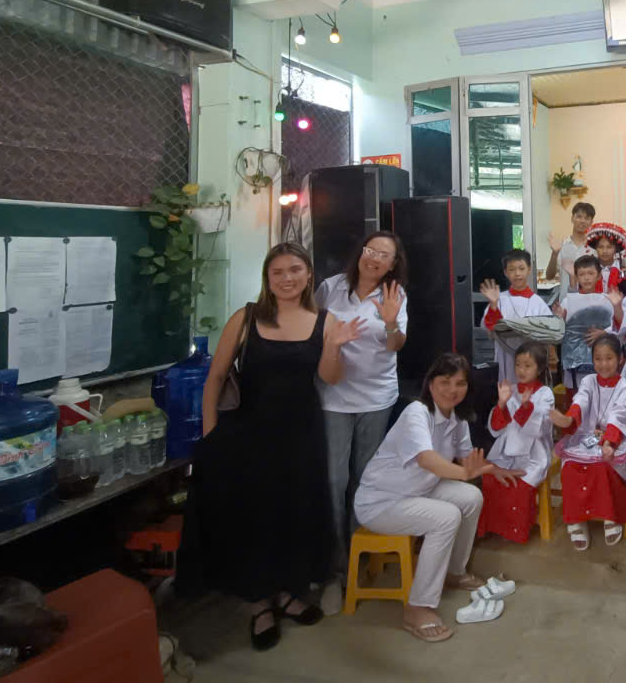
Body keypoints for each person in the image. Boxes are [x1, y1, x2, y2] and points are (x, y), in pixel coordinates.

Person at [179, 243, 364, 651]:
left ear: (308, 274)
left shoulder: (325, 321)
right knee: (254, 519)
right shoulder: (246, 317)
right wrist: (210, 437)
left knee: (292, 515)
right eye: (277, 272)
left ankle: (285, 592)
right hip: (247, 436)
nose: (286, 278)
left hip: (301, 436)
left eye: (294, 269)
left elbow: (331, 378)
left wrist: (334, 346)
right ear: (267, 278)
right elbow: (215, 378)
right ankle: (259, 604)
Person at [353, 353, 517, 642]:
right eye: (445, 382)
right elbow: (427, 459)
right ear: (430, 384)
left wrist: (494, 469)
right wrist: (464, 473)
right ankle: (418, 607)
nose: (452, 390)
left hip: (419, 489)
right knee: (446, 517)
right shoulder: (416, 412)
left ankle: (454, 572)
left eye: (460, 383)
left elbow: (467, 458)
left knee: (471, 497)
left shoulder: (457, 416)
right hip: (382, 501)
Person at [313, 231, 408, 615]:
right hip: (333, 398)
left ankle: (358, 554)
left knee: (364, 477)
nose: (375, 258)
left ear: (393, 264)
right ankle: (334, 568)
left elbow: (396, 344)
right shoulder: (330, 288)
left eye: (385, 255)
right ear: (360, 252)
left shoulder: (394, 295)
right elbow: (310, 330)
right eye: (371, 250)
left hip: (377, 398)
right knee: (334, 480)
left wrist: (390, 322)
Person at [551, 333, 626, 549]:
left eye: (609, 358)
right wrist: (569, 419)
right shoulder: (588, 381)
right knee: (570, 467)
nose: (603, 364)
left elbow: (620, 416)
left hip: (618, 440)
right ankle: (577, 520)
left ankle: (610, 516)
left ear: (620, 359)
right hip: (587, 436)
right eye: (598, 359)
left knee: (603, 466)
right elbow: (581, 400)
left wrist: (609, 443)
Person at [478, 342, 556, 544]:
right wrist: (502, 404)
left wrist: (526, 407)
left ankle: (515, 530)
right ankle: (494, 527)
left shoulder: (545, 393)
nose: (521, 370)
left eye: (527, 366)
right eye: (518, 365)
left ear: (539, 368)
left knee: (520, 484)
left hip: (534, 453)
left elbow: (541, 428)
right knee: (490, 479)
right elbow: (496, 429)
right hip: (506, 450)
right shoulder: (509, 389)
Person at [481, 248, 553, 383]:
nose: (517, 274)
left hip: (531, 360)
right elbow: (490, 328)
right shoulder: (499, 299)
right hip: (505, 358)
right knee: (507, 391)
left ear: (529, 269)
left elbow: (549, 334)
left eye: (521, 268)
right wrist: (493, 305)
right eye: (512, 269)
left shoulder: (538, 302)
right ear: (505, 272)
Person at [556, 254, 616, 386]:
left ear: (599, 276)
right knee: (576, 394)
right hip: (574, 363)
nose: (586, 278)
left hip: (602, 362)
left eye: (590, 273)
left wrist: (604, 333)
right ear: (577, 277)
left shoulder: (607, 300)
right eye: (582, 274)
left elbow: (618, 326)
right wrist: (560, 318)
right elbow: (559, 330)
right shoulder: (567, 301)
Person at [546, 201, 596, 296]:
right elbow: (549, 276)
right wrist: (554, 254)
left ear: (591, 222)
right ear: (572, 218)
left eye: (587, 218)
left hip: (589, 300)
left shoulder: (594, 248)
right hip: (566, 300)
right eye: (579, 216)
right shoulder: (562, 245)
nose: (582, 221)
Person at [586, 221, 626, 293]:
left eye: (609, 247)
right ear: (596, 248)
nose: (605, 251)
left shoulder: (624, 272)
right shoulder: (589, 270)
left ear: (615, 249)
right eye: (600, 247)